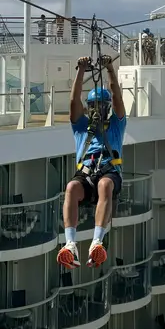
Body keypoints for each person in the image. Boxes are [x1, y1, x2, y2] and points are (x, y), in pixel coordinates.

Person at [58, 54, 127, 269]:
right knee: (71, 187)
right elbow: (73, 101)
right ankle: (70, 244)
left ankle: (97, 241)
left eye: (102, 105)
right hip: (86, 174)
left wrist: (110, 69)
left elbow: (117, 97)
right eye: (94, 105)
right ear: (89, 107)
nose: (98, 109)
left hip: (109, 173)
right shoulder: (81, 127)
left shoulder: (116, 126)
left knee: (105, 185)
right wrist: (81, 70)